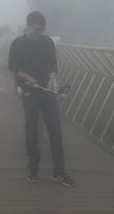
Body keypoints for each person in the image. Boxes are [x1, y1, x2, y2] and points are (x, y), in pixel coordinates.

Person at [8, 11, 75, 186]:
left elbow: (53, 62)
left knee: (56, 132)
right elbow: (13, 66)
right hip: (30, 91)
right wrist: (27, 77)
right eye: (37, 29)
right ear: (28, 26)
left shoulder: (46, 41)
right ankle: (33, 171)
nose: (40, 33)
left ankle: (59, 171)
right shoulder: (18, 43)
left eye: (43, 30)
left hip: (47, 90)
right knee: (31, 133)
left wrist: (52, 77)